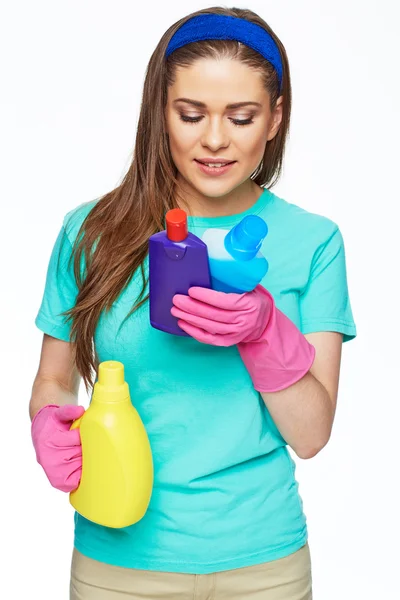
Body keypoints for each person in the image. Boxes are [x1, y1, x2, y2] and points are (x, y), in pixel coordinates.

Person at [29, 6, 357, 600]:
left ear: (274, 119)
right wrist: (49, 422)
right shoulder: (92, 231)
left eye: (241, 116)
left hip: (265, 566)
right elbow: (53, 380)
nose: (214, 139)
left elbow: (310, 435)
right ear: (161, 113)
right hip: (117, 563)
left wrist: (264, 331)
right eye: (190, 114)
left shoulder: (314, 242)